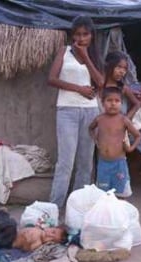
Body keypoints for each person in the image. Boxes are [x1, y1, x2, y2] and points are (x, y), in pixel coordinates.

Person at [48, 16, 104, 209]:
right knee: (65, 162)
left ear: (92, 36)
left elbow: (101, 82)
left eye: (85, 34)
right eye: (78, 34)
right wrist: (79, 88)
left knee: (85, 163)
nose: (81, 38)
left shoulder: (95, 55)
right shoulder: (64, 51)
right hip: (67, 111)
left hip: (90, 112)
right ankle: (54, 208)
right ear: (72, 35)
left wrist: (86, 56)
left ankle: (77, 208)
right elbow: (52, 79)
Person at [89, 86, 141, 197]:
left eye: (117, 101)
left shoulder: (124, 120)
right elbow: (90, 128)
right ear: (103, 103)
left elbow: (138, 136)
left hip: (119, 163)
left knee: (121, 193)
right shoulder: (100, 119)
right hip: (103, 163)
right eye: (109, 100)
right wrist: (95, 139)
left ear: (121, 103)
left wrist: (131, 148)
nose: (113, 103)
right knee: (102, 194)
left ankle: (120, 213)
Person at [103, 51, 141, 120]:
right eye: (119, 67)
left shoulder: (123, 88)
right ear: (109, 65)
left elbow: (137, 104)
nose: (122, 72)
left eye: (125, 69)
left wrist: (125, 120)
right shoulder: (101, 85)